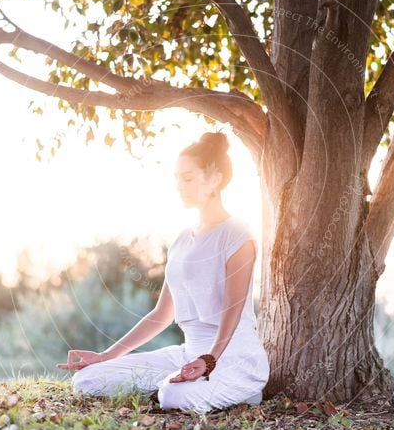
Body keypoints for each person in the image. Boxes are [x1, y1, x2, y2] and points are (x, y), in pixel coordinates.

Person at [57, 131, 270, 413]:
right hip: (187, 353)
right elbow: (161, 315)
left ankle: (234, 389)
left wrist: (209, 360)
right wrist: (107, 355)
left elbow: (233, 309)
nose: (179, 186)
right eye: (177, 178)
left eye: (188, 178)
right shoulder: (182, 240)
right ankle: (176, 381)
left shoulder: (237, 234)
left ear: (215, 178)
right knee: (87, 380)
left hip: (233, 357)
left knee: (173, 397)